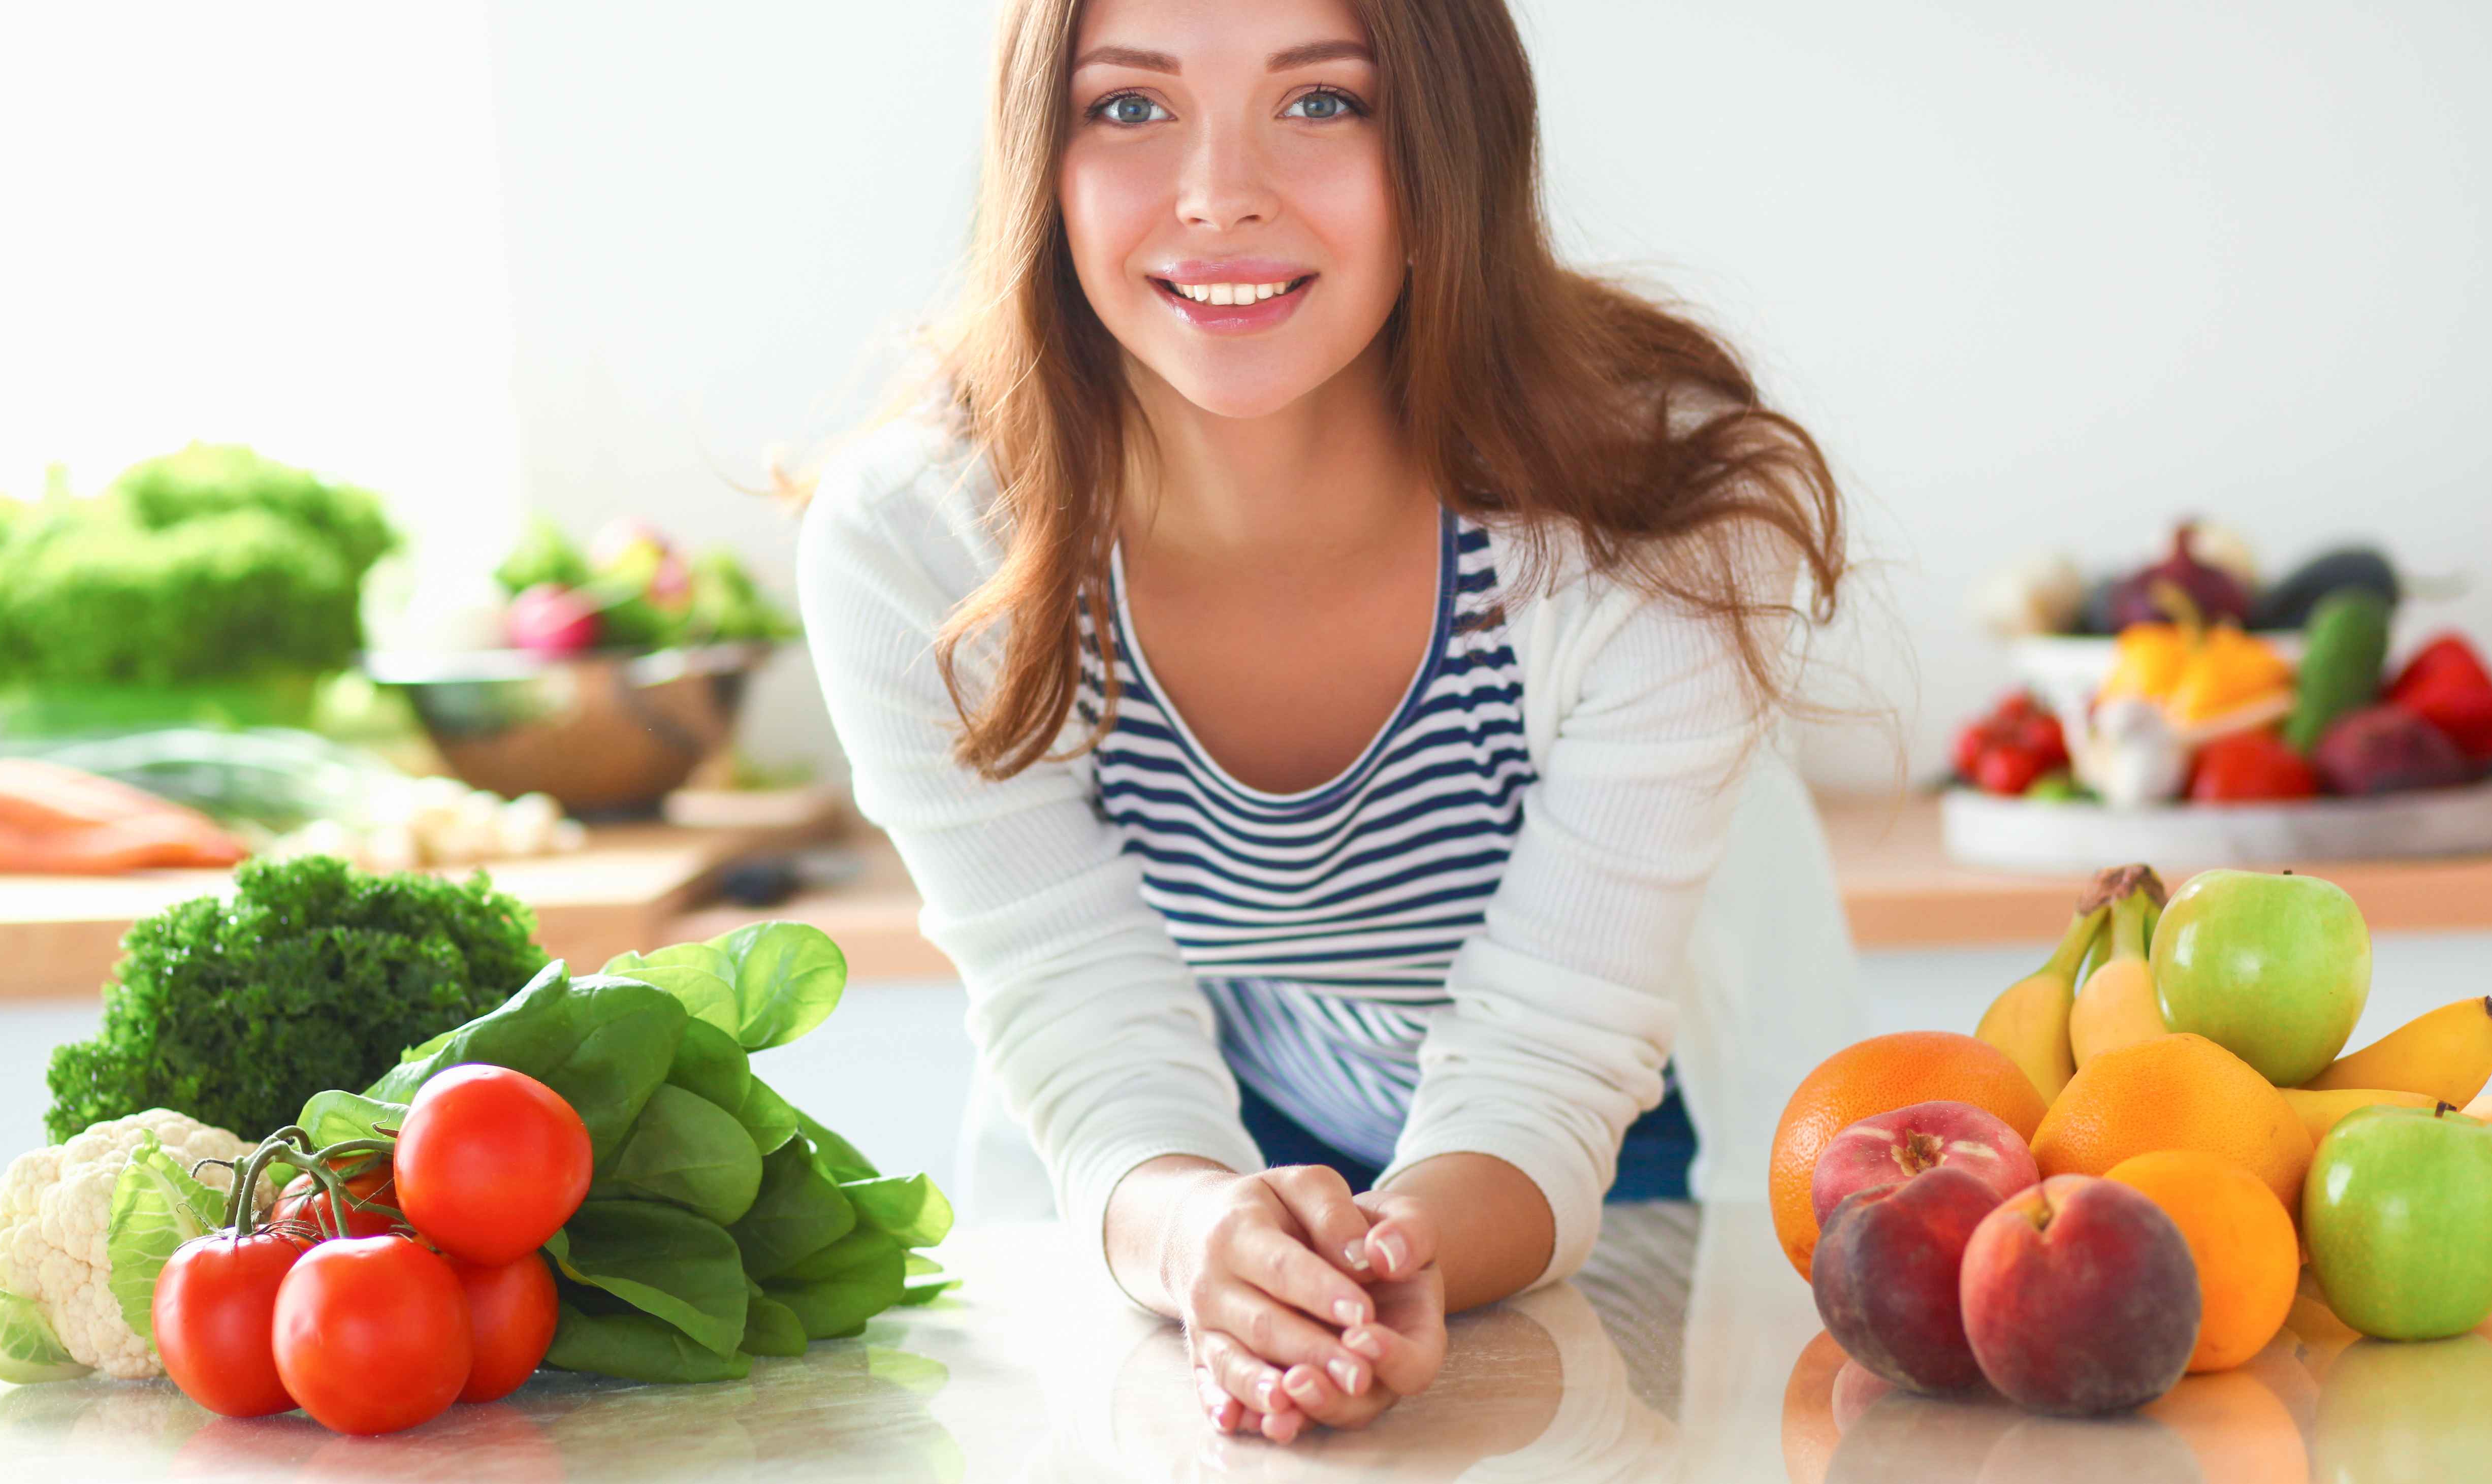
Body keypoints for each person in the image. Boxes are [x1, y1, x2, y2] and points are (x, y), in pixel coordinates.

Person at [795, 0, 1863, 1444]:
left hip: (1614, 1150)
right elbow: (1077, 1004)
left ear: (1449, 154)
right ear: (1036, 162)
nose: (1219, 189)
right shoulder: (924, 541)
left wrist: (1383, 1257)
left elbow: (1554, 1054)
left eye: (1323, 104)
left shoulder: (1647, 520)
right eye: (1127, 107)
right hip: (1201, 1134)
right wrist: (1200, 1235)